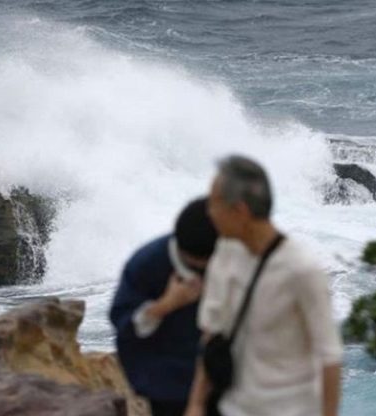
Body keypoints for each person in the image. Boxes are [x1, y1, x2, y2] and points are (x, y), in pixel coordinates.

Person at [185, 155, 343, 416]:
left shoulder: (302, 270)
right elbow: (211, 335)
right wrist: (196, 404)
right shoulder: (224, 255)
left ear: (240, 211)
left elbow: (330, 357)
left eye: (214, 204)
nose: (208, 213)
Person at [110, 198, 219, 416]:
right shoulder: (147, 264)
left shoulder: (233, 256)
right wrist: (166, 304)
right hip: (165, 380)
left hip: (221, 374)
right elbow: (125, 326)